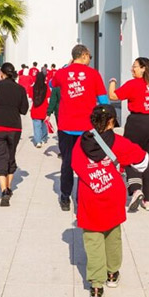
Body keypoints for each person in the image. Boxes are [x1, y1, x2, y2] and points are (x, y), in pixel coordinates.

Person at [71, 105, 148, 297]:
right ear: (112, 121)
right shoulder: (119, 143)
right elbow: (142, 161)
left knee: (93, 240)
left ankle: (96, 286)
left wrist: (94, 177)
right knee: (113, 236)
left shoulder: (81, 142)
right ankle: (112, 274)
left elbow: (75, 165)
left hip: (90, 195)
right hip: (113, 195)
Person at [50, 44, 108, 211]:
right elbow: (104, 101)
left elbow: (50, 85)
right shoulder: (94, 74)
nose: (90, 59)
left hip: (66, 127)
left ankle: (65, 197)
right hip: (87, 129)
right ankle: (82, 198)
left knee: (67, 163)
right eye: (89, 56)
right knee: (86, 164)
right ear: (83, 55)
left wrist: (67, 67)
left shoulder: (62, 73)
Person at [108, 57, 149, 212]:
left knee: (130, 155)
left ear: (143, 68)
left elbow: (113, 96)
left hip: (138, 122)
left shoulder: (133, 84)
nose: (132, 69)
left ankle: (136, 189)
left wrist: (112, 81)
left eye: (134, 67)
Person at [0, 62, 29, 206]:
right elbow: (24, 110)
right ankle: (8, 187)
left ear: (2, 74)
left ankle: (4, 190)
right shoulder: (20, 89)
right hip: (14, 127)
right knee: (10, 156)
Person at [30, 72, 50, 148]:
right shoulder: (46, 87)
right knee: (44, 124)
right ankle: (44, 138)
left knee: (37, 126)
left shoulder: (32, 88)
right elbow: (48, 97)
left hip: (35, 109)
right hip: (44, 108)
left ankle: (38, 141)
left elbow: (31, 98)